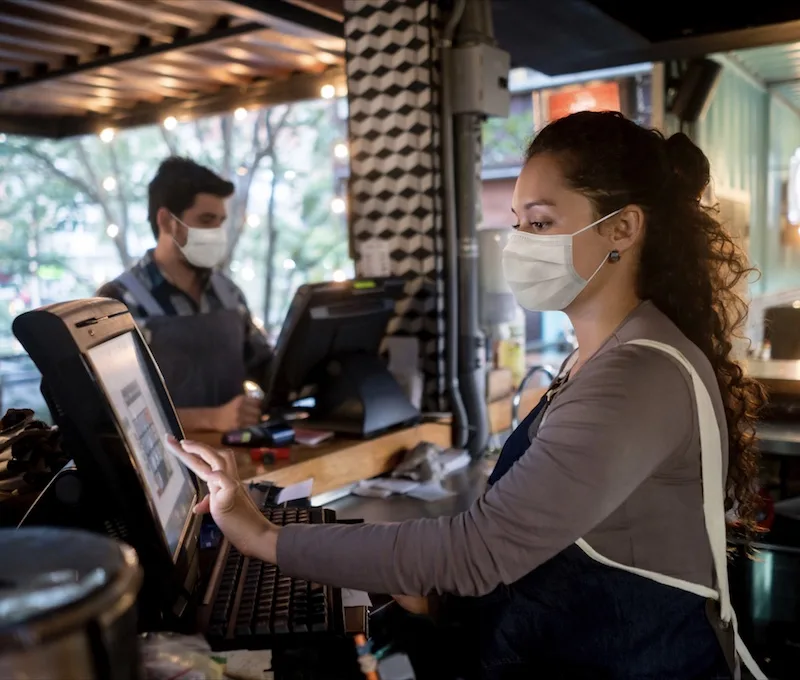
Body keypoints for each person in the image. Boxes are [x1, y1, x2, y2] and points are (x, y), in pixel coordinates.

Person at [168, 112, 767, 678]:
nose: (520, 242)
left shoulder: (634, 376)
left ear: (623, 227)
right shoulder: (603, 355)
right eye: (517, 223)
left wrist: (264, 538)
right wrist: (428, 587)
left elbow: (479, 551)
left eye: (540, 222)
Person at [98, 157, 270, 433]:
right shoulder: (118, 302)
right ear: (167, 221)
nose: (216, 232)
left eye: (220, 221)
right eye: (206, 220)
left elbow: (265, 369)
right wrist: (211, 419)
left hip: (238, 464)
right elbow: (110, 411)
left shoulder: (229, 294)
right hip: (162, 471)